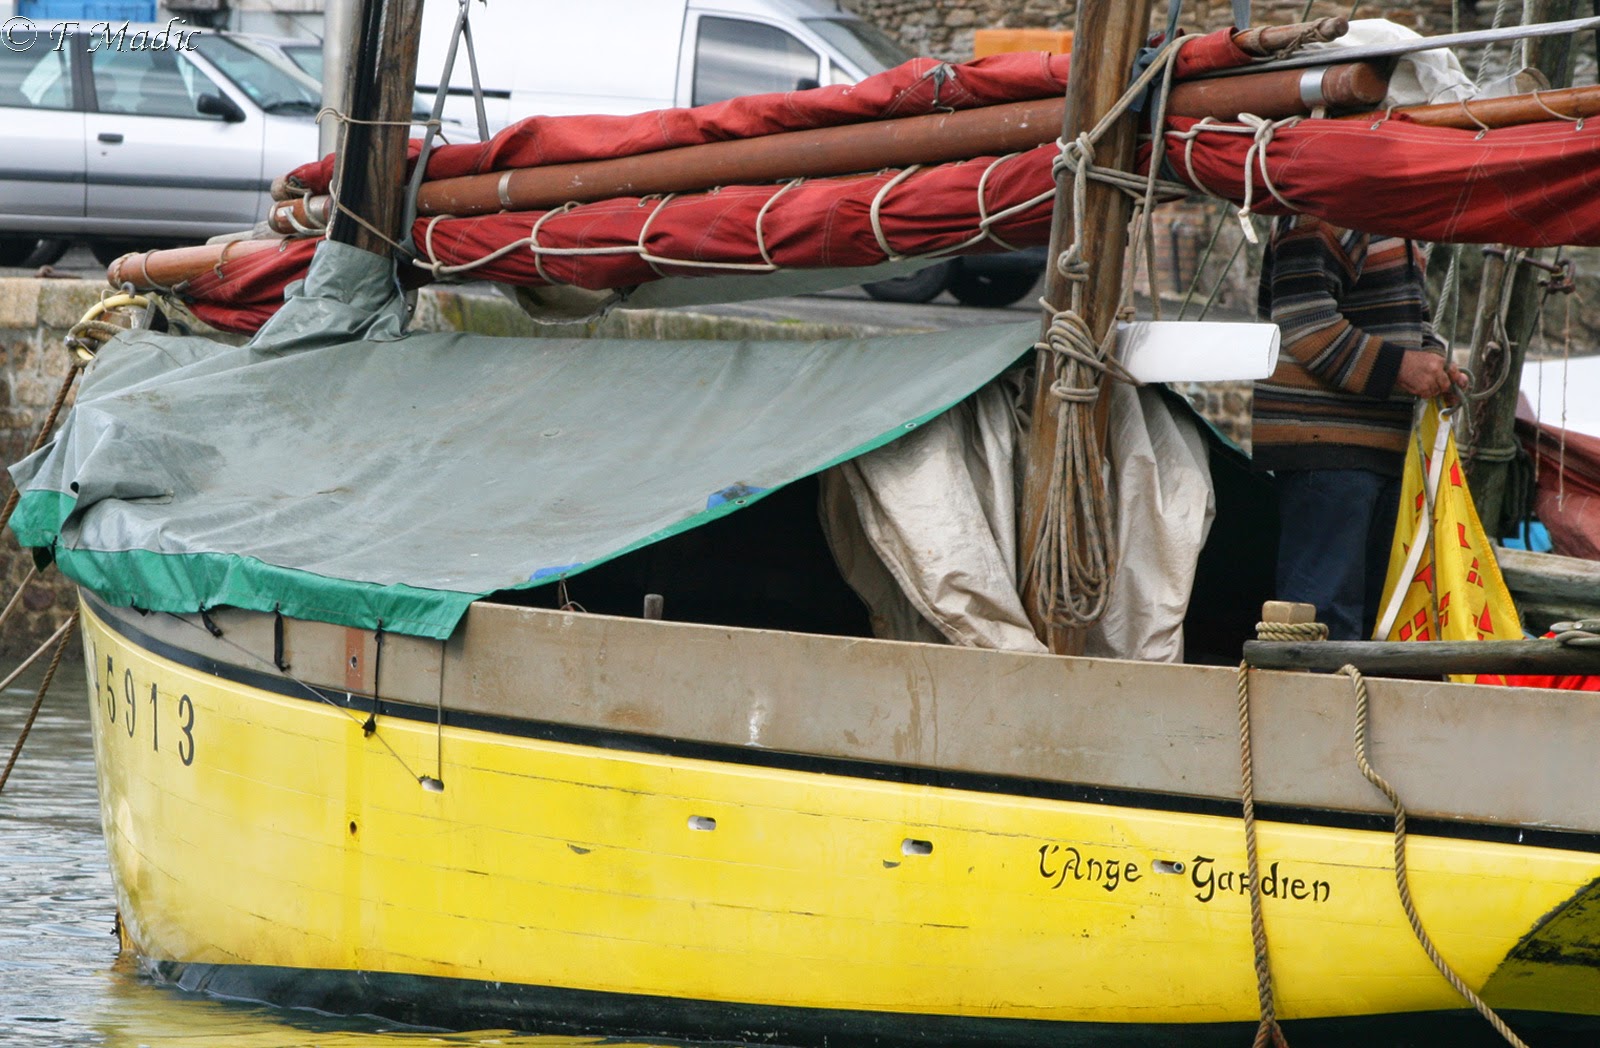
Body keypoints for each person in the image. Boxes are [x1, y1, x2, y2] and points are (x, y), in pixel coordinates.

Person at [1253, 214, 1465, 641]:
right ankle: (1313, 709)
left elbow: (1411, 323)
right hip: (1325, 449)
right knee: (1322, 618)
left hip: (1376, 454)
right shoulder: (1321, 212)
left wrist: (1436, 364)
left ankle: (1348, 707)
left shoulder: (1391, 223)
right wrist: (1402, 368)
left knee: (1369, 620)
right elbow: (1303, 321)